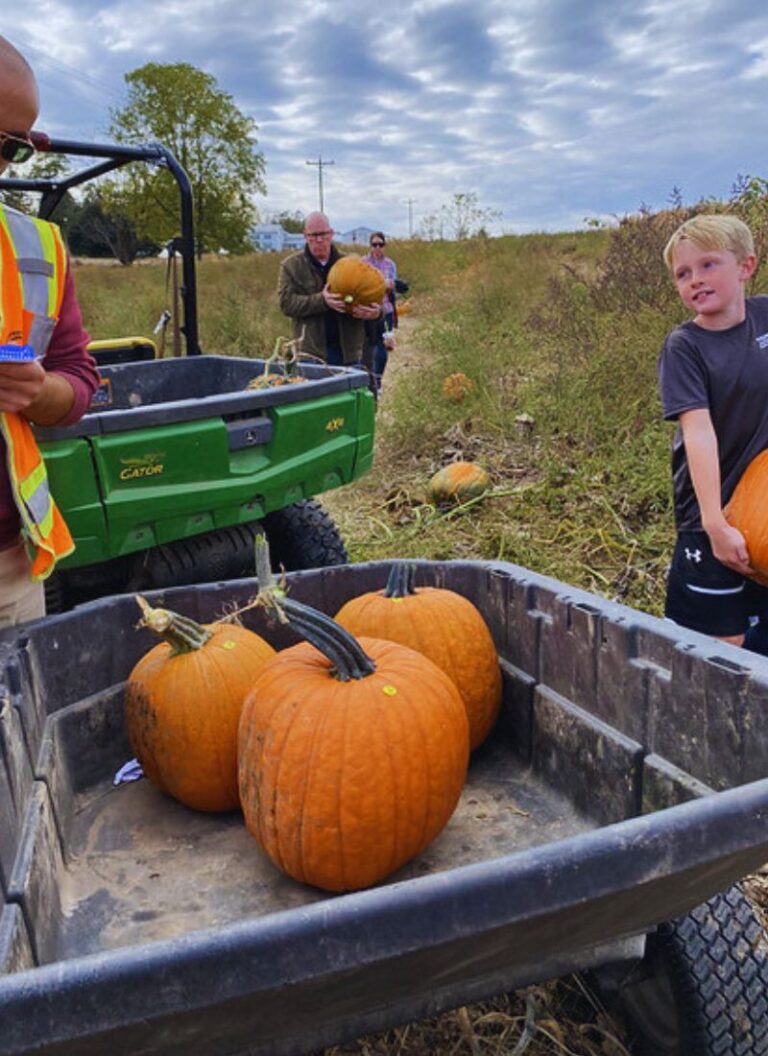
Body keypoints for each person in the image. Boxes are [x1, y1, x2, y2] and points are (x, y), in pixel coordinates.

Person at [0, 36, 100, 628]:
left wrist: (38, 393)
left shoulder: (38, 247)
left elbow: (79, 378)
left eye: (12, 147)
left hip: (10, 570)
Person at [658, 213, 768, 649]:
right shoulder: (685, 347)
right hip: (711, 511)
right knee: (720, 647)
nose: (695, 280)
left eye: (708, 265)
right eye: (683, 274)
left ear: (746, 265)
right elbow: (698, 432)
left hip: (762, 502)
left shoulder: (765, 316)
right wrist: (714, 524)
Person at [277, 212, 382, 368]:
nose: (319, 240)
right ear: (305, 236)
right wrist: (322, 301)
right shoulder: (291, 266)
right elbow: (286, 303)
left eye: (324, 234)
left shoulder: (352, 263)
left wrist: (376, 313)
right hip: (311, 355)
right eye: (313, 235)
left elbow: (372, 297)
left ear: (331, 234)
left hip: (349, 353)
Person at [362, 231, 398, 393]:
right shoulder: (363, 263)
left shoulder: (390, 264)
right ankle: (370, 381)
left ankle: (378, 380)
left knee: (383, 347)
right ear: (370, 246)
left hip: (386, 311)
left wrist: (390, 285)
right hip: (368, 312)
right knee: (370, 347)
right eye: (374, 244)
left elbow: (394, 286)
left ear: (384, 246)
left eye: (380, 244)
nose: (377, 247)